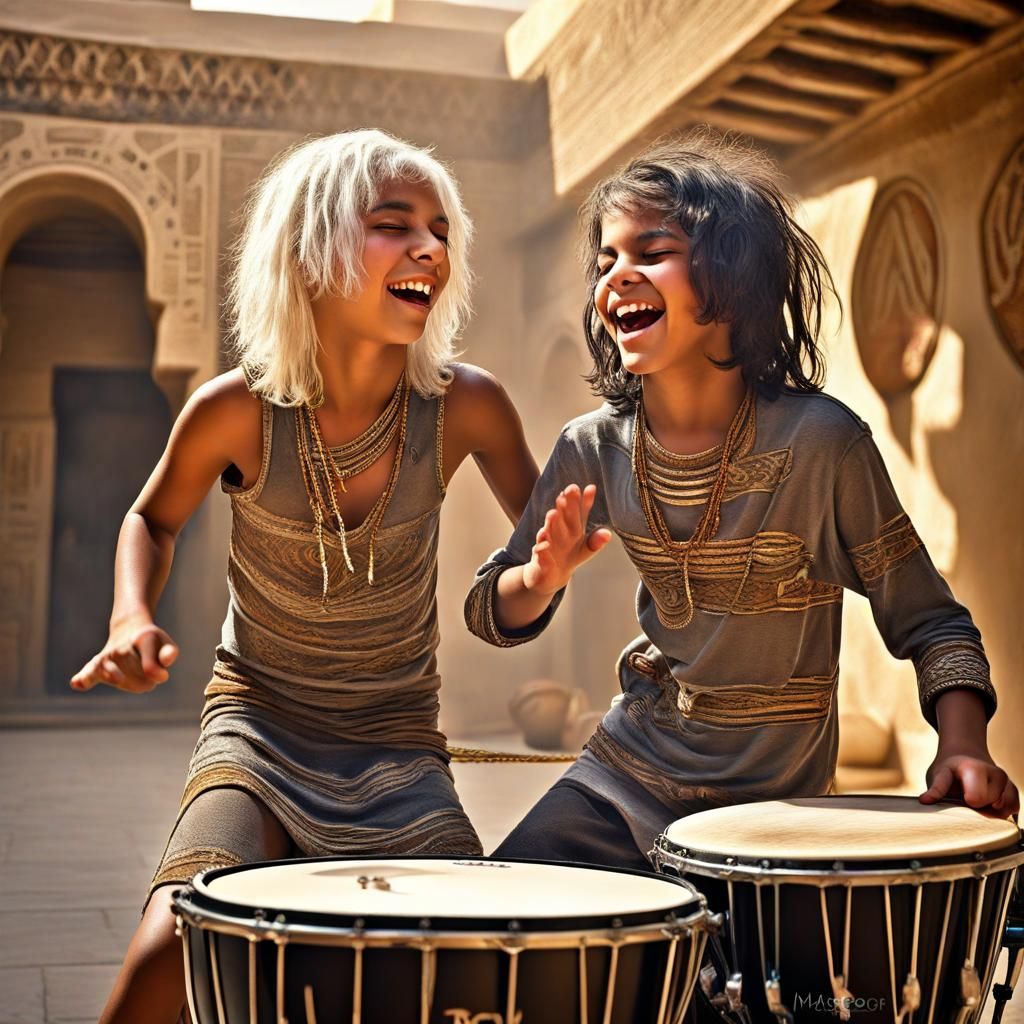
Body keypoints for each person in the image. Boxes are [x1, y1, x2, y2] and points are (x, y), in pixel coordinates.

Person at [72, 129, 539, 1024]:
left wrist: (548, 566)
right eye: (392, 224)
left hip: (398, 749)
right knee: (173, 951)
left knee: (479, 969)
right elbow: (152, 518)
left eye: (441, 230)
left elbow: (543, 547)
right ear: (309, 249)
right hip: (257, 736)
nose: (429, 248)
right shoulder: (237, 410)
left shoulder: (464, 406)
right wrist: (130, 616)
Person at [465, 129, 1019, 876]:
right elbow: (490, 609)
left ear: (731, 278)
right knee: (507, 922)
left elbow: (931, 620)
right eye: (606, 262)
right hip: (623, 777)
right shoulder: (592, 446)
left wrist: (962, 745)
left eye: (650, 252)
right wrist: (536, 579)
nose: (617, 277)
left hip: (773, 813)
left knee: (727, 994)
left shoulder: (824, 445)